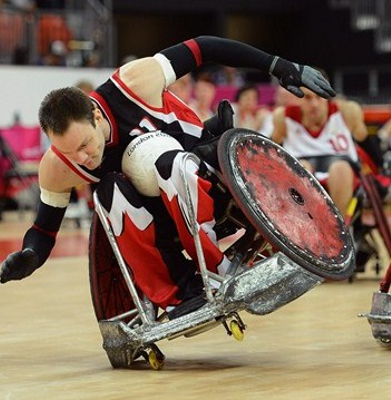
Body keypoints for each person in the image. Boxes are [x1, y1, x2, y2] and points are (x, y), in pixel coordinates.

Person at [0, 35, 335, 320]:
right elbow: (44, 230)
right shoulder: (56, 166)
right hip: (163, 224)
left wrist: (279, 65)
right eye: (71, 153)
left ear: (97, 114)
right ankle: (182, 291)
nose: (82, 158)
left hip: (210, 177)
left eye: (85, 144)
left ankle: (219, 270)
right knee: (108, 193)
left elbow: (203, 47)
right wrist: (31, 255)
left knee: (167, 161)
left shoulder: (133, 82)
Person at [271, 85, 368, 217]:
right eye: (308, 98)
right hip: (303, 165)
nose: (314, 104)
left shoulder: (346, 111)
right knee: (301, 168)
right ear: (298, 98)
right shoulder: (283, 117)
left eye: (319, 97)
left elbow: (364, 139)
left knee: (339, 169)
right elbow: (272, 147)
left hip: (341, 165)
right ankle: (304, 223)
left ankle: (339, 227)